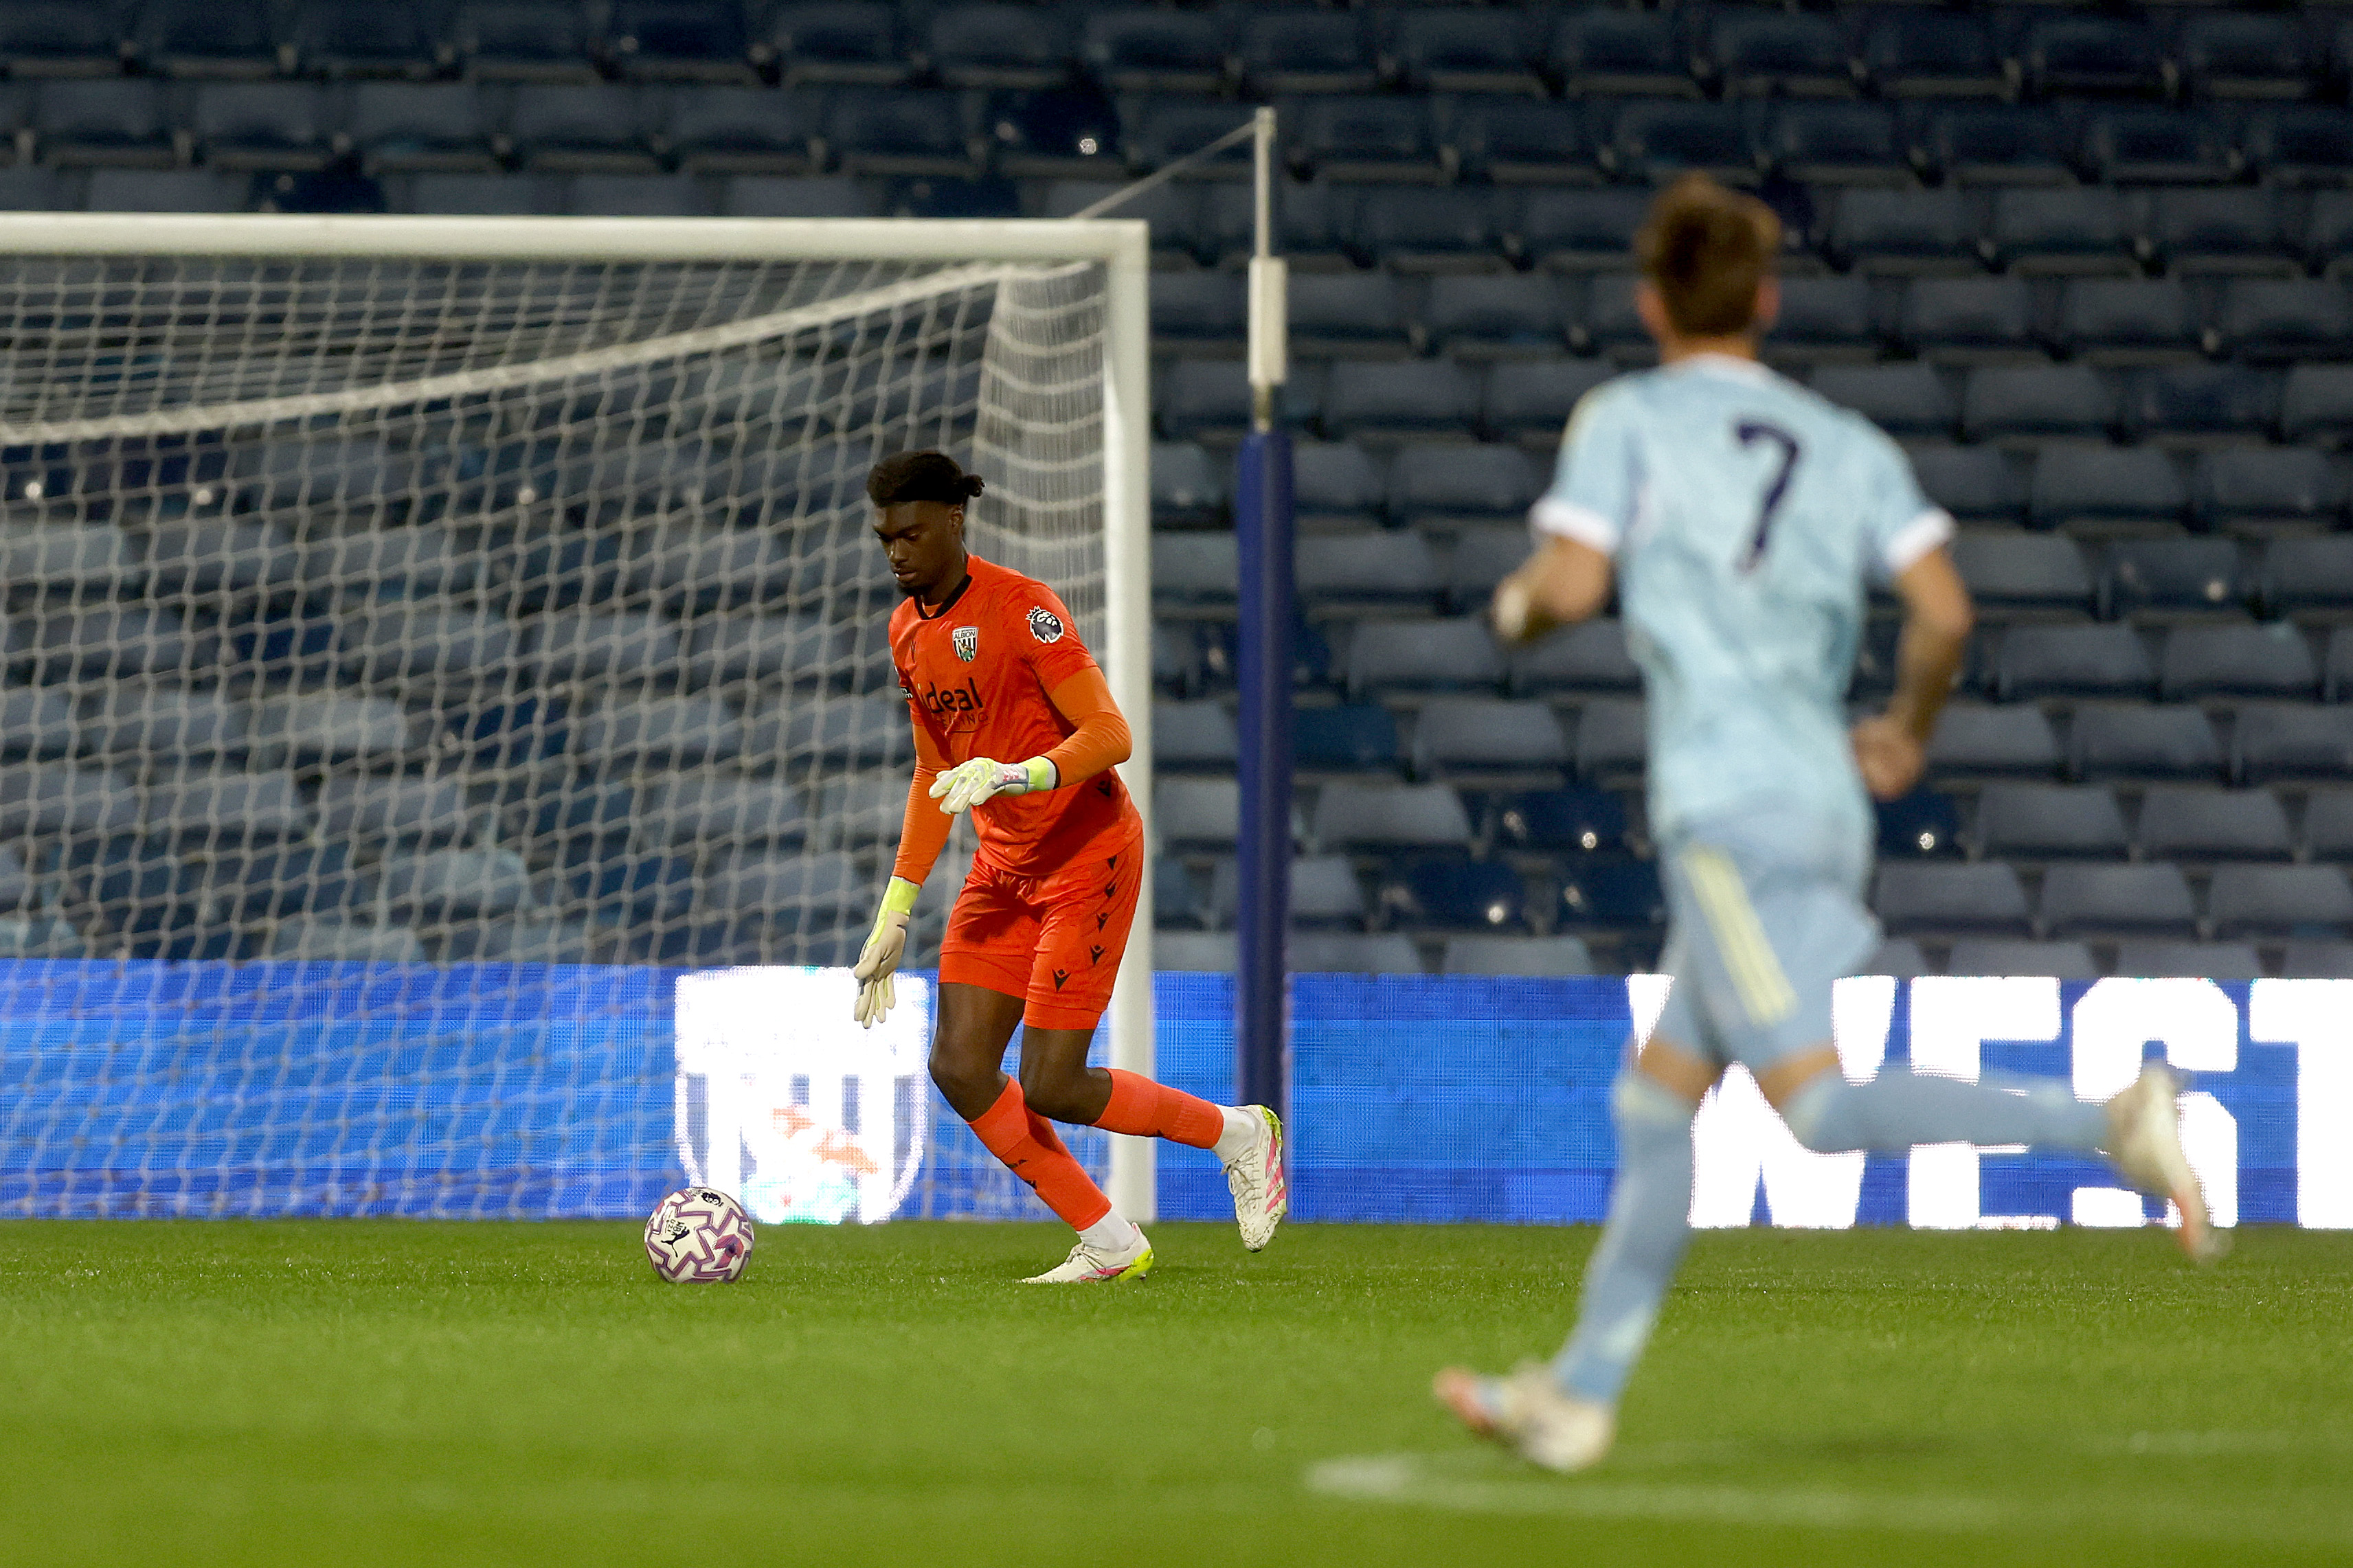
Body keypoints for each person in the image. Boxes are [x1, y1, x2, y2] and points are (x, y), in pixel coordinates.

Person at [1434, 174, 2220, 1473]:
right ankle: (1575, 1392)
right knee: (1653, 1108)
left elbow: (1570, 582)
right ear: (1768, 301)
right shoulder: (1844, 440)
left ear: (1648, 303)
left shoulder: (1624, 418)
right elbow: (1947, 609)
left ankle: (2113, 1124)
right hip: (1818, 797)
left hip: (1727, 815)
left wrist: (1515, 608)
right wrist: (1906, 729)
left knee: (1816, 1109)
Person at [849, 450, 1286, 1283]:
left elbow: (1111, 733)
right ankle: (1109, 1241)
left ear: (953, 521)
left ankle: (1238, 1134)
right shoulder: (905, 631)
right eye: (884, 539)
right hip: (1003, 868)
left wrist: (1022, 772)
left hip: (1086, 856)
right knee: (959, 1066)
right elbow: (928, 771)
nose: (897, 554)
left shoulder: (1024, 609)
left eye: (910, 534)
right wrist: (896, 908)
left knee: (1051, 1082)